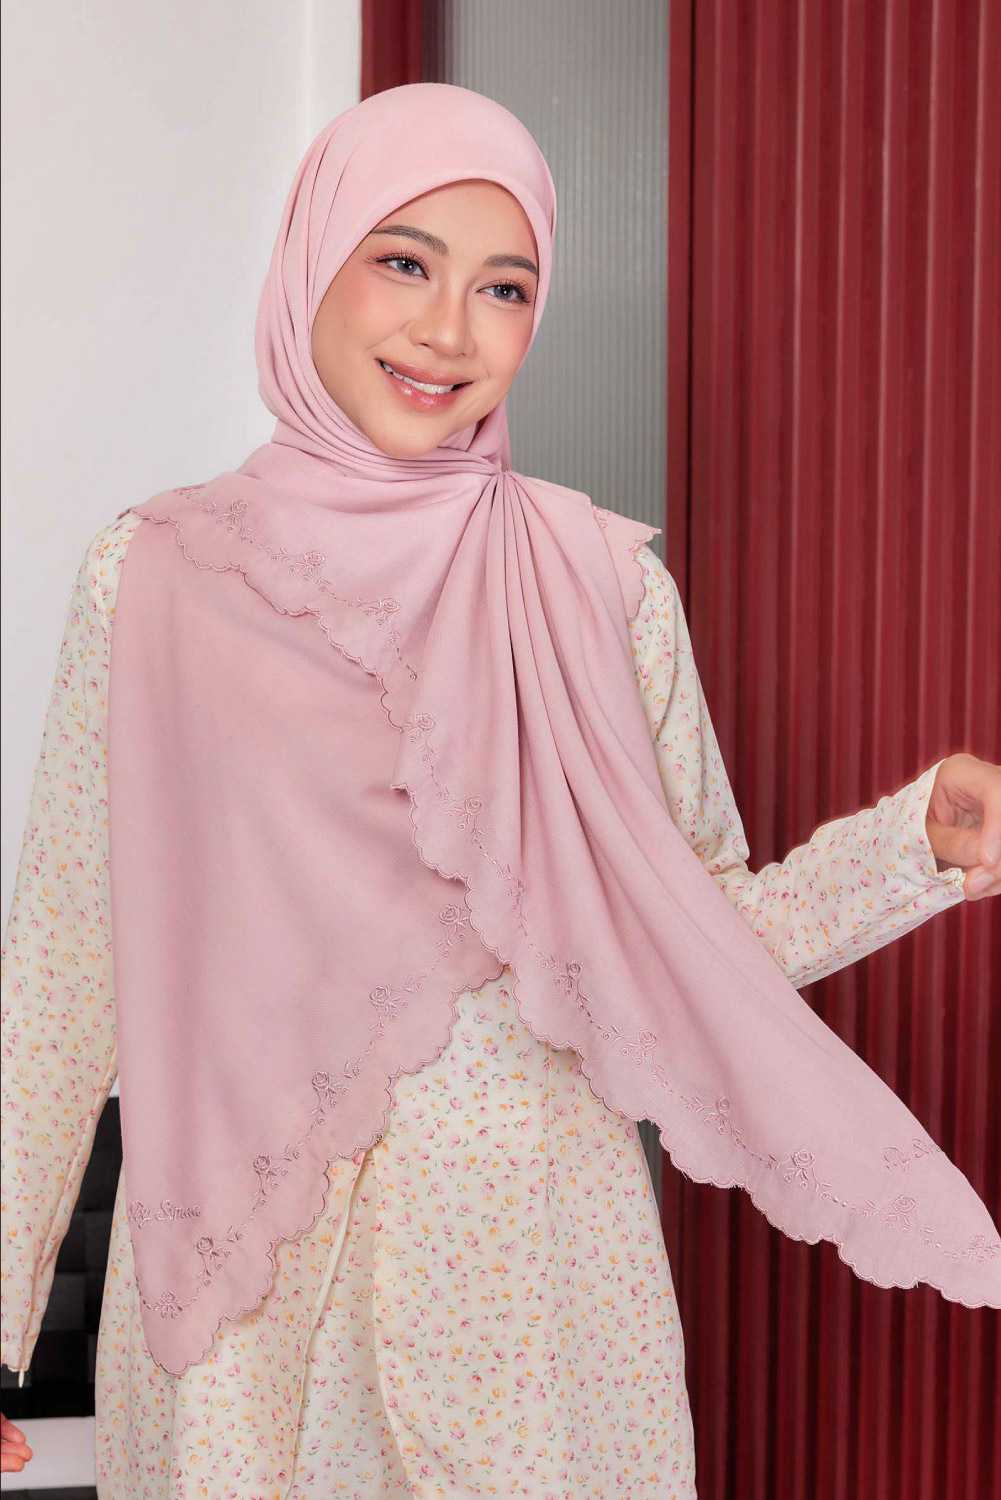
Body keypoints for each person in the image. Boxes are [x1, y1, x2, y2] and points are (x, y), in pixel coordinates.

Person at [1, 83, 998, 1499]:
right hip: (251, 1310)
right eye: (404, 261)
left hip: (530, 1297)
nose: (448, 331)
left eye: (504, 287)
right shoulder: (156, 579)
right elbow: (61, 977)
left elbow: (702, 942)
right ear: (311, 258)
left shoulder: (602, 589)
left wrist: (916, 846)